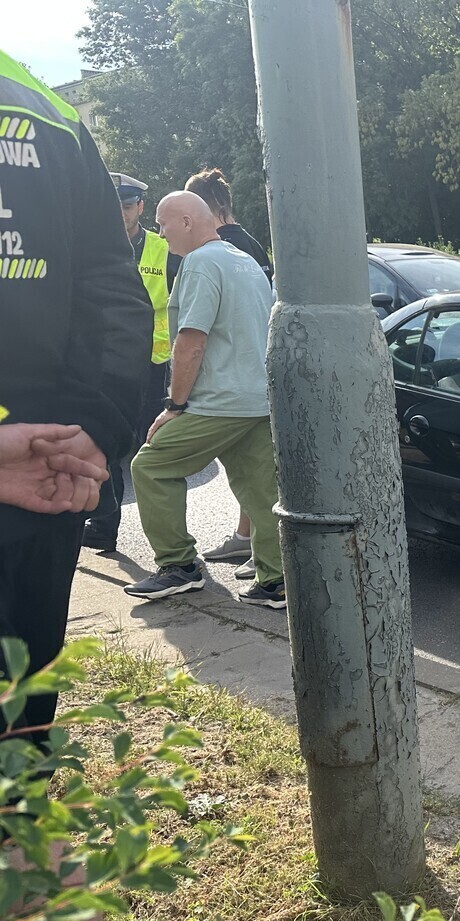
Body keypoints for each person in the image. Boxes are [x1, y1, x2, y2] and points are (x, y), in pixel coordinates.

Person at [0, 47, 154, 921]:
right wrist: (92, 430)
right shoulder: (47, 110)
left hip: (31, 478)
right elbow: (114, 288)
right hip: (38, 492)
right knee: (18, 753)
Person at [123, 191, 285, 609]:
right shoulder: (244, 262)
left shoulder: (199, 263)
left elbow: (191, 339)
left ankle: (179, 566)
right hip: (257, 401)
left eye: (163, 224)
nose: (161, 233)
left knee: (151, 467)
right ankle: (276, 582)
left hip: (219, 402)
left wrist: (174, 406)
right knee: (260, 492)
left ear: (187, 222)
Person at [184, 167, 272, 577]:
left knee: (151, 466)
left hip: (228, 379)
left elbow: (204, 327)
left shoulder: (215, 251)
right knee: (252, 469)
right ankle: (250, 541)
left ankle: (256, 548)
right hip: (257, 375)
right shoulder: (249, 244)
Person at [81, 173, 176, 552]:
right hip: (107, 363)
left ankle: (171, 545)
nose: (120, 212)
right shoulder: (93, 246)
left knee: (153, 451)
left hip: (155, 365)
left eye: (127, 204)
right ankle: (105, 527)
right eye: (115, 204)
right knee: (107, 444)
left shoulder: (163, 248)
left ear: (140, 207)